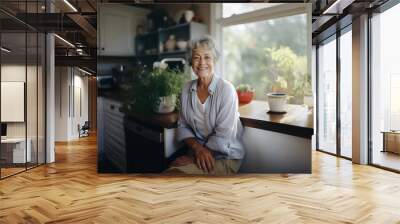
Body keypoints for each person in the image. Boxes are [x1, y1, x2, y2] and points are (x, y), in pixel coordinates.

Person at [166, 36, 245, 175]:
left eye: (207, 57)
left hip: (224, 156)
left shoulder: (226, 90)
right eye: (196, 57)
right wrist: (197, 149)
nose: (202, 62)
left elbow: (222, 137)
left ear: (214, 60)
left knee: (174, 176)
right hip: (198, 152)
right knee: (170, 172)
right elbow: (183, 126)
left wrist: (193, 157)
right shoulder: (186, 89)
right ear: (191, 62)